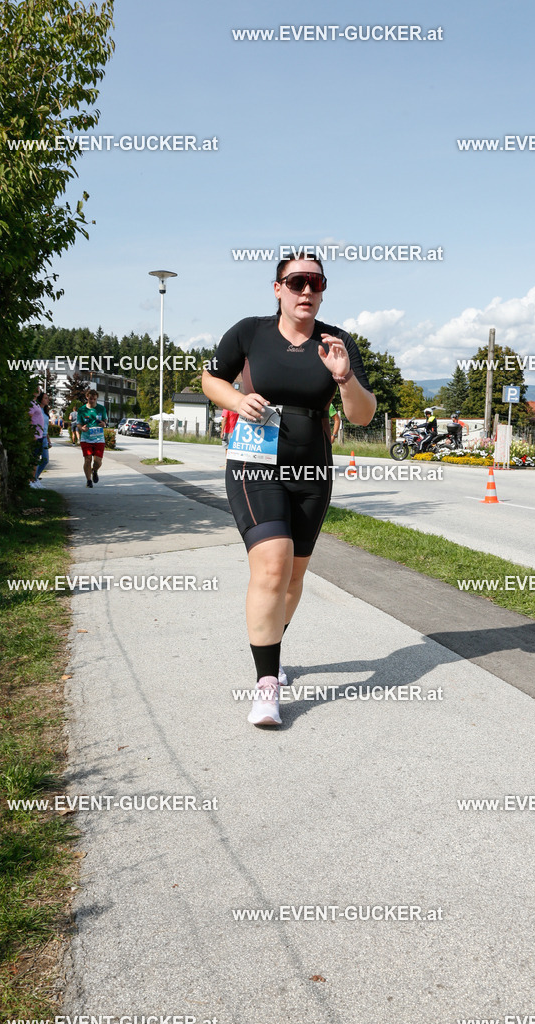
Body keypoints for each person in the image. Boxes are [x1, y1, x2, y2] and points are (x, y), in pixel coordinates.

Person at [201, 253, 376, 726]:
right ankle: (266, 685)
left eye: (315, 282)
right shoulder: (250, 332)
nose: (306, 290)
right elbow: (210, 379)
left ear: (323, 290)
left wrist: (343, 377)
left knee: (294, 577)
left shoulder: (336, 342)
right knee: (273, 564)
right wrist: (238, 398)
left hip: (312, 467)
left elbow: (362, 415)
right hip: (253, 460)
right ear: (277, 288)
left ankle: (271, 649)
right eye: (296, 281)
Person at [76, 389, 108, 488]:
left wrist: (104, 424)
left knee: (98, 461)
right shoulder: (82, 410)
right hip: (86, 438)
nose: (92, 400)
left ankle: (95, 470)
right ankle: (89, 480)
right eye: (90, 398)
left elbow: (105, 420)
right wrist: (82, 428)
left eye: (94, 399)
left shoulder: (101, 409)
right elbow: (78, 424)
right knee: (87, 459)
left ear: (96, 398)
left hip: (99, 439)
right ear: (87, 397)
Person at [29, 390, 48, 488]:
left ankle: (34, 479)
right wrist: (32, 432)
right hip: (35, 435)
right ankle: (31, 481)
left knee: (36, 459)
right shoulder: (31, 404)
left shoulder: (35, 403)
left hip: (40, 435)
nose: (38, 391)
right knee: (34, 459)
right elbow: (29, 417)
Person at [34, 399, 51, 483]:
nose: (47, 400)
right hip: (38, 437)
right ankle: (34, 479)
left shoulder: (45, 411)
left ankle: (35, 477)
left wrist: (48, 440)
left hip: (44, 437)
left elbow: (46, 427)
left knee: (45, 460)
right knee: (36, 459)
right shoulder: (38, 409)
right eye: (45, 398)